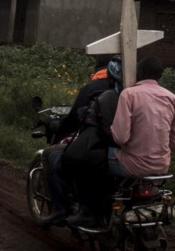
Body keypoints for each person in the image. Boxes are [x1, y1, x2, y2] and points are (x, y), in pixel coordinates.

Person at [42, 54, 113, 226]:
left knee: (52, 157)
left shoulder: (92, 88)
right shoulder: (128, 88)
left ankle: (60, 210)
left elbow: (73, 120)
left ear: (97, 67)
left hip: (96, 145)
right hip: (123, 148)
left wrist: (57, 127)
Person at [63, 57, 123, 227]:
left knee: (72, 159)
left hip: (109, 147)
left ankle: (86, 211)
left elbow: (79, 119)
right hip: (149, 156)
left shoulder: (102, 94)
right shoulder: (136, 95)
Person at [109, 56, 175, 178]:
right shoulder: (172, 99)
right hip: (162, 167)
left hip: (131, 166)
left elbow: (121, 138)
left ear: (140, 72)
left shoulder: (128, 94)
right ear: (159, 76)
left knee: (101, 154)